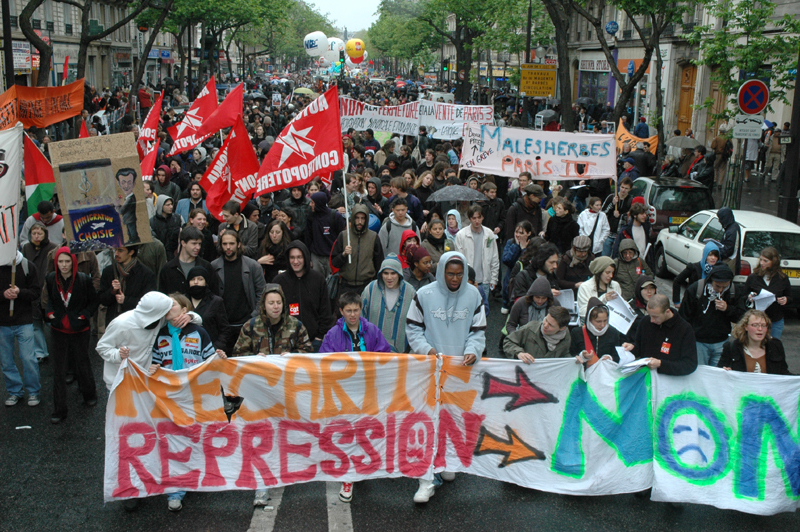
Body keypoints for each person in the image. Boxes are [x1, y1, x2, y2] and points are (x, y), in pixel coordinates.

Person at [406, 251, 486, 503]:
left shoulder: (473, 295)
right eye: (450, 273)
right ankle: (426, 480)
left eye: (459, 274)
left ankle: (448, 462)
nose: (455, 278)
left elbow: (478, 331)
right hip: (429, 371)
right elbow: (413, 328)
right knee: (428, 423)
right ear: (441, 271)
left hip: (460, 373)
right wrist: (426, 350)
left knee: (454, 421)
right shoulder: (424, 295)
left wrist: (473, 351)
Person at [147, 293, 226, 512]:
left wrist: (218, 358)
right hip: (170, 397)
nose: (168, 307)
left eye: (172, 304)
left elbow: (209, 362)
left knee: (194, 436)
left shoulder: (199, 332)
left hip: (194, 395)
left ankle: (196, 474)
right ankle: (176, 490)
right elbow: (155, 363)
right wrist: (152, 369)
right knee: (173, 442)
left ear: (184, 310)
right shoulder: (160, 336)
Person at [96, 291, 201, 391]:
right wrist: (118, 354)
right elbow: (102, 347)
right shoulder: (120, 324)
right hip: (119, 381)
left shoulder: (158, 318)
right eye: (167, 309)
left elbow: (198, 320)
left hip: (143, 378)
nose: (168, 311)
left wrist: (190, 316)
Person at [44, 247, 99, 423]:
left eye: (67, 261)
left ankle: (89, 394)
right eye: (60, 262)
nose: (64, 265)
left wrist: (83, 316)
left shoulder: (83, 280)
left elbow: (93, 302)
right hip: (59, 329)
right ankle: (59, 410)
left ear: (73, 262)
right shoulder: (51, 278)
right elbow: (49, 301)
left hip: (79, 329)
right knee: (59, 370)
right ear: (56, 263)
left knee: (82, 362)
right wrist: (50, 313)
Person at [679, 263, 745, 367]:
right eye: (717, 286)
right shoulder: (696, 289)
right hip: (698, 342)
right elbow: (683, 316)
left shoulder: (734, 291)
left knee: (717, 376)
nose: (720, 290)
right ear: (711, 280)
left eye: (725, 286)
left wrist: (727, 309)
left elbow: (741, 317)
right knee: (700, 374)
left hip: (721, 342)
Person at [211, 230, 266, 355]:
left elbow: (261, 294)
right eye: (225, 244)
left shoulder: (253, 266)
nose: (228, 247)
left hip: (247, 323)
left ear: (239, 244)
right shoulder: (214, 267)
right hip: (223, 327)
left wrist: (253, 316)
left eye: (231, 243)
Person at [274, 241, 335, 352]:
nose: (295, 261)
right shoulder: (279, 281)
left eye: (299, 257)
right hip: (285, 344)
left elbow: (325, 311)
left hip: (314, 342)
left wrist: (319, 337)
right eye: (292, 257)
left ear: (306, 258)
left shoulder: (318, 279)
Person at [0, 251, 42, 407]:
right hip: (2, 322)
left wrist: (20, 292)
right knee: (6, 361)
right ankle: (14, 391)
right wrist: (4, 295)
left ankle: (33, 391)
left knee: (28, 358)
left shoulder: (26, 266)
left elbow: (36, 292)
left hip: (24, 321)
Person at [623, 294, 697, 375]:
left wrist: (661, 364)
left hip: (669, 381)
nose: (651, 320)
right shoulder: (645, 322)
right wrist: (632, 347)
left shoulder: (685, 329)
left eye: (655, 317)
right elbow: (639, 347)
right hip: (646, 378)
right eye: (650, 315)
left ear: (667, 311)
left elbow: (690, 364)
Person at [232, 284, 312, 358]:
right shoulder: (250, 326)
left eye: (279, 302)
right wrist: (254, 357)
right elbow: (238, 354)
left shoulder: (296, 325)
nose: (276, 306)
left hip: (287, 370)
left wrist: (293, 356)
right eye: (271, 303)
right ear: (264, 306)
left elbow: (308, 352)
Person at [361, 255, 416, 353]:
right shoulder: (370, 289)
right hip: (371, 351)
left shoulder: (410, 292)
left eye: (393, 273)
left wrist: (412, 352)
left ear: (399, 274)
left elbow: (416, 324)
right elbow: (360, 316)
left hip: (400, 355)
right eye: (385, 273)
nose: (389, 277)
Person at [21, 221, 57, 363]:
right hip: (32, 288)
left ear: (45, 234)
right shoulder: (26, 248)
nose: (36, 236)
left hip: (47, 288)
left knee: (52, 322)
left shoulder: (52, 248)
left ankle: (57, 349)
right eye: (34, 233)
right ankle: (41, 352)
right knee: (35, 324)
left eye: (39, 233)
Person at [98, 245, 157, 326]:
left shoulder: (146, 274)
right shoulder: (109, 271)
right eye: (115, 250)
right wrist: (112, 291)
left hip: (135, 323)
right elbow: (102, 300)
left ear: (131, 252)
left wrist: (125, 300)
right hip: (113, 322)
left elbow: (149, 303)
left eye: (120, 250)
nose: (116, 253)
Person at [718, 310, 790, 375]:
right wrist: (724, 372)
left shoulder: (776, 345)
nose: (760, 329)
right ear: (746, 327)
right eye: (755, 325)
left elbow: (784, 373)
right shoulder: (731, 347)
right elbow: (718, 374)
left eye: (764, 325)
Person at [744, 247, 790, 339]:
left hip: (775, 320)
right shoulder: (753, 277)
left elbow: (790, 296)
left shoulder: (782, 278)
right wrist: (749, 297)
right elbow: (743, 296)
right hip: (756, 320)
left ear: (774, 262)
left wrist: (785, 299)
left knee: (773, 348)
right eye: (761, 260)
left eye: (766, 261)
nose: (762, 263)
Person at [454, 205, 500, 295]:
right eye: (474, 218)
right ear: (469, 218)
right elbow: (459, 259)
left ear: (483, 217)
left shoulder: (489, 234)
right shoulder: (461, 235)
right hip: (467, 281)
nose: (477, 221)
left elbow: (494, 257)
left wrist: (494, 279)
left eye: (479, 217)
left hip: (485, 280)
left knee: (484, 307)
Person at [159, 226, 218, 296]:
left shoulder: (206, 266)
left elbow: (214, 293)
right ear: (183, 243)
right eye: (194, 243)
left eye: (199, 244)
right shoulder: (168, 269)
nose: (198, 247)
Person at [503, 306, 571, 363]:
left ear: (562, 328)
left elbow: (564, 354)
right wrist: (519, 353)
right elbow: (508, 341)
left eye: (551, 325)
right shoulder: (530, 328)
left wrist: (573, 361)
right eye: (546, 320)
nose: (545, 325)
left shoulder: (566, 336)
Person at [186, 266, 232, 351]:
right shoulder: (183, 301)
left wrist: (214, 348)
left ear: (206, 282)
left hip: (210, 350)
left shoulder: (215, 301)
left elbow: (225, 329)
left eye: (200, 279)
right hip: (187, 351)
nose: (196, 282)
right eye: (192, 279)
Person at [569, 298, 624, 366]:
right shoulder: (577, 332)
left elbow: (618, 356)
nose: (603, 325)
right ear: (589, 320)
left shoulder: (613, 332)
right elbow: (571, 354)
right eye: (598, 321)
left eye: (605, 320)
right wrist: (582, 356)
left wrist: (610, 358)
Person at [672, 241, 720, 308]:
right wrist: (676, 301)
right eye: (710, 255)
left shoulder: (718, 271)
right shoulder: (693, 267)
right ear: (705, 255)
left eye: (715, 255)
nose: (713, 258)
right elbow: (677, 281)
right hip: (691, 304)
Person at [501, 221, 534, 313]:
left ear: (529, 233)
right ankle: (506, 303)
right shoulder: (511, 242)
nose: (518, 235)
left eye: (521, 233)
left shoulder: (532, 244)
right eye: (516, 232)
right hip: (511, 274)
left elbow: (528, 264)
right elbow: (506, 260)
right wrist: (516, 246)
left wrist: (524, 249)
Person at [577, 256, 622, 321]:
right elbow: (583, 312)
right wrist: (603, 299)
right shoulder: (584, 287)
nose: (611, 276)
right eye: (607, 272)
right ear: (599, 272)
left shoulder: (615, 285)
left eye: (612, 273)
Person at [600, 177, 633, 257]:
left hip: (621, 234)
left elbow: (631, 217)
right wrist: (612, 204)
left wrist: (621, 215)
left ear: (630, 189)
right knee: (605, 256)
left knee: (617, 257)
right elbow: (602, 213)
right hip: (609, 232)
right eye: (622, 187)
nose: (623, 190)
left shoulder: (630, 200)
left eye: (626, 188)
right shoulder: (611, 197)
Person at [627, 276, 658, 342]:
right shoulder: (630, 308)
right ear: (639, 290)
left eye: (652, 288)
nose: (649, 291)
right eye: (645, 288)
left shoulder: (659, 305)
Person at [115, 168, 140, 244]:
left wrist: (117, 205)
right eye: (123, 182)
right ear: (119, 184)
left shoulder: (130, 199)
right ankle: (131, 240)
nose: (126, 186)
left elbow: (121, 210)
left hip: (130, 219)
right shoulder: (128, 198)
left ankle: (134, 240)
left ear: (134, 183)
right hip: (128, 219)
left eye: (129, 182)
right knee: (130, 232)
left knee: (132, 232)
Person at [717, 207, 741, 275]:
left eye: (720, 218)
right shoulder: (732, 227)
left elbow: (729, 250)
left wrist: (717, 250)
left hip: (729, 263)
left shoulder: (732, 231)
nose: (719, 221)